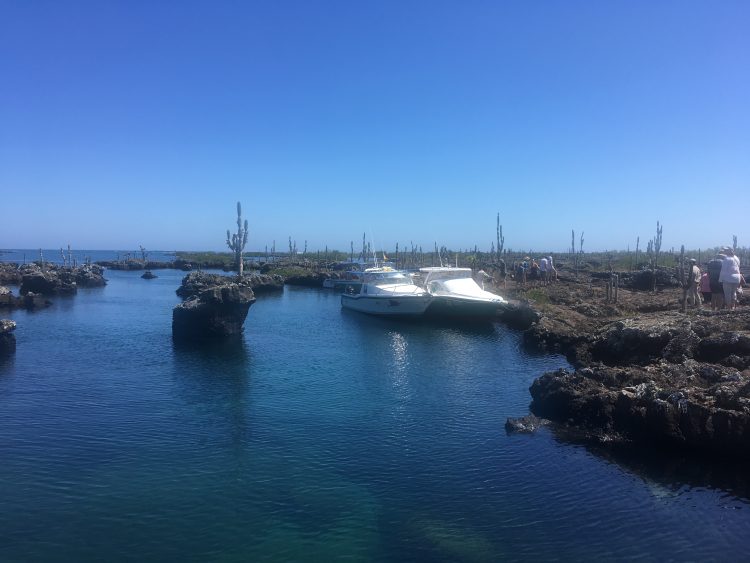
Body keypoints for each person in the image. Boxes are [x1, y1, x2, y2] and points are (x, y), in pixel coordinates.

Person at [719, 247, 741, 311]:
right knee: (733, 292)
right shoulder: (736, 258)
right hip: (737, 278)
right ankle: (733, 306)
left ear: (728, 251)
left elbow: (723, 270)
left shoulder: (726, 259)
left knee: (727, 293)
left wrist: (720, 279)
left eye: (725, 250)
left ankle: (729, 308)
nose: (724, 251)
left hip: (728, 278)